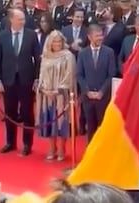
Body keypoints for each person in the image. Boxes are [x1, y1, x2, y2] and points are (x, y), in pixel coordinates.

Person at [0, 9, 40, 156]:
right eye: (20, 19)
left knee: (27, 113)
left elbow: (38, 59)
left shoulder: (31, 35)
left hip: (26, 80)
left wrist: (37, 78)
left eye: (23, 19)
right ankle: (10, 142)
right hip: (8, 80)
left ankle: (27, 144)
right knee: (9, 113)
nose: (23, 22)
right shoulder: (2, 36)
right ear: (11, 20)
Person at [36, 30, 76, 161]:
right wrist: (44, 89)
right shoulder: (46, 56)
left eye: (59, 41)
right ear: (50, 42)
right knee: (49, 122)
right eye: (55, 41)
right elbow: (41, 75)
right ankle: (52, 148)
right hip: (47, 96)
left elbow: (69, 76)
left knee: (61, 123)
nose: (57, 44)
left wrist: (58, 90)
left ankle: (62, 148)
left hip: (61, 96)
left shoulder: (68, 56)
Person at [76, 24, 116, 143]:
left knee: (103, 127)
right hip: (87, 98)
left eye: (101, 35)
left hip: (103, 97)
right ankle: (90, 152)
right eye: (97, 35)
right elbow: (79, 75)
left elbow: (111, 75)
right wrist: (87, 91)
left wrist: (101, 92)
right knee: (90, 127)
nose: (100, 38)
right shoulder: (83, 53)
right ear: (89, 37)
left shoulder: (109, 52)